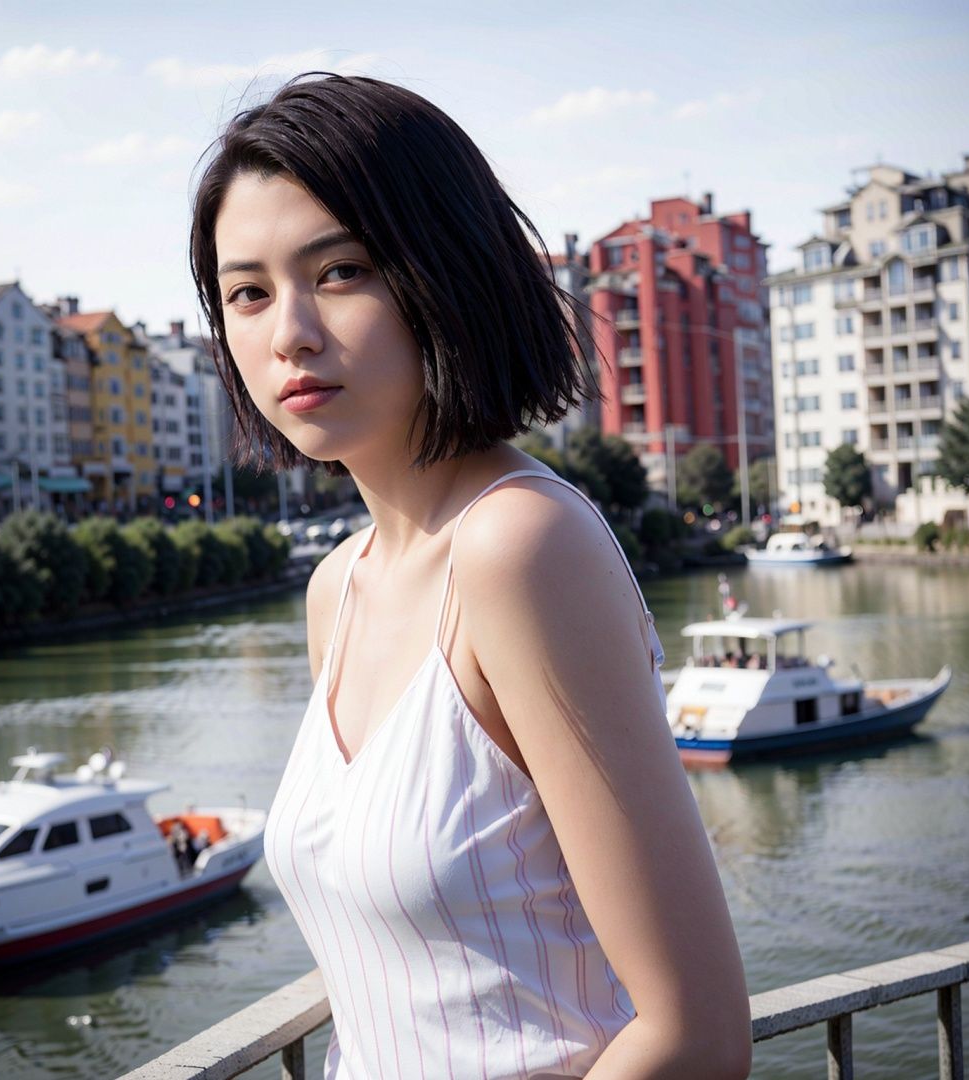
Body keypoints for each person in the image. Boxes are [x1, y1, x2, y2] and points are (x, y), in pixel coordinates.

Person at [191, 74, 751, 1079]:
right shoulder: (339, 589)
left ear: (447, 271)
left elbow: (696, 1037)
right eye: (249, 292)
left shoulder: (522, 548)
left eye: (344, 269)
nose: (290, 335)